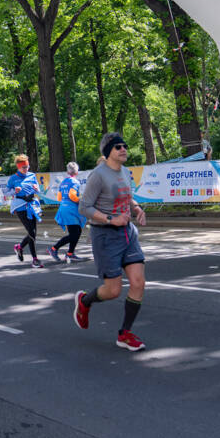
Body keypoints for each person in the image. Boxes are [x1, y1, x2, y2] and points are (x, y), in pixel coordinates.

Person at [73, 133, 148, 352]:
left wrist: (136, 208)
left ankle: (125, 333)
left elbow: (126, 197)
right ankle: (85, 301)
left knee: (138, 282)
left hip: (128, 234)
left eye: (125, 145)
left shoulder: (125, 171)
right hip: (105, 236)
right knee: (113, 290)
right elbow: (84, 207)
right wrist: (110, 219)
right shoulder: (98, 175)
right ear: (108, 153)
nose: (124, 149)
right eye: (118, 147)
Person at [8, 154, 43, 268]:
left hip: (32, 206)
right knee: (32, 232)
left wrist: (37, 189)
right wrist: (14, 190)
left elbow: (37, 190)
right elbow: (6, 193)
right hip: (20, 206)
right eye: (24, 167)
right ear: (18, 167)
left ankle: (20, 247)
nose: (26, 169)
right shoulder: (13, 178)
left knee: (33, 233)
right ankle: (35, 259)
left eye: (27, 166)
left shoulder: (32, 175)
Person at [51, 162, 87, 263]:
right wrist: (81, 200)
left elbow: (59, 198)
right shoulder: (75, 182)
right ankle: (54, 249)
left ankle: (70, 253)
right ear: (77, 171)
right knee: (74, 234)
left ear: (67, 172)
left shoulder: (63, 182)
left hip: (63, 208)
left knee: (76, 232)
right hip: (70, 210)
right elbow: (72, 196)